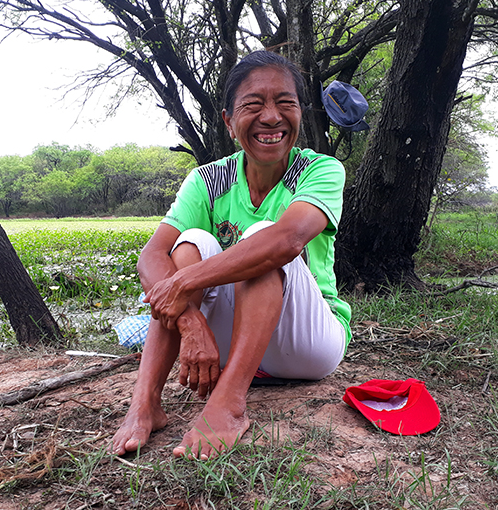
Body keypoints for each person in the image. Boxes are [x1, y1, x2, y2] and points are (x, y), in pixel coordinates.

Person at [111, 50, 351, 460]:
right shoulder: (208, 179)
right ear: (228, 120)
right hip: (236, 339)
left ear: (300, 113)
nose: (271, 117)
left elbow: (288, 240)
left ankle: (229, 406)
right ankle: (145, 402)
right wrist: (189, 322)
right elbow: (152, 256)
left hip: (308, 345)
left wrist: (184, 284)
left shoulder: (321, 170)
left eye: (285, 103)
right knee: (189, 244)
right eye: (253, 105)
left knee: (261, 238)